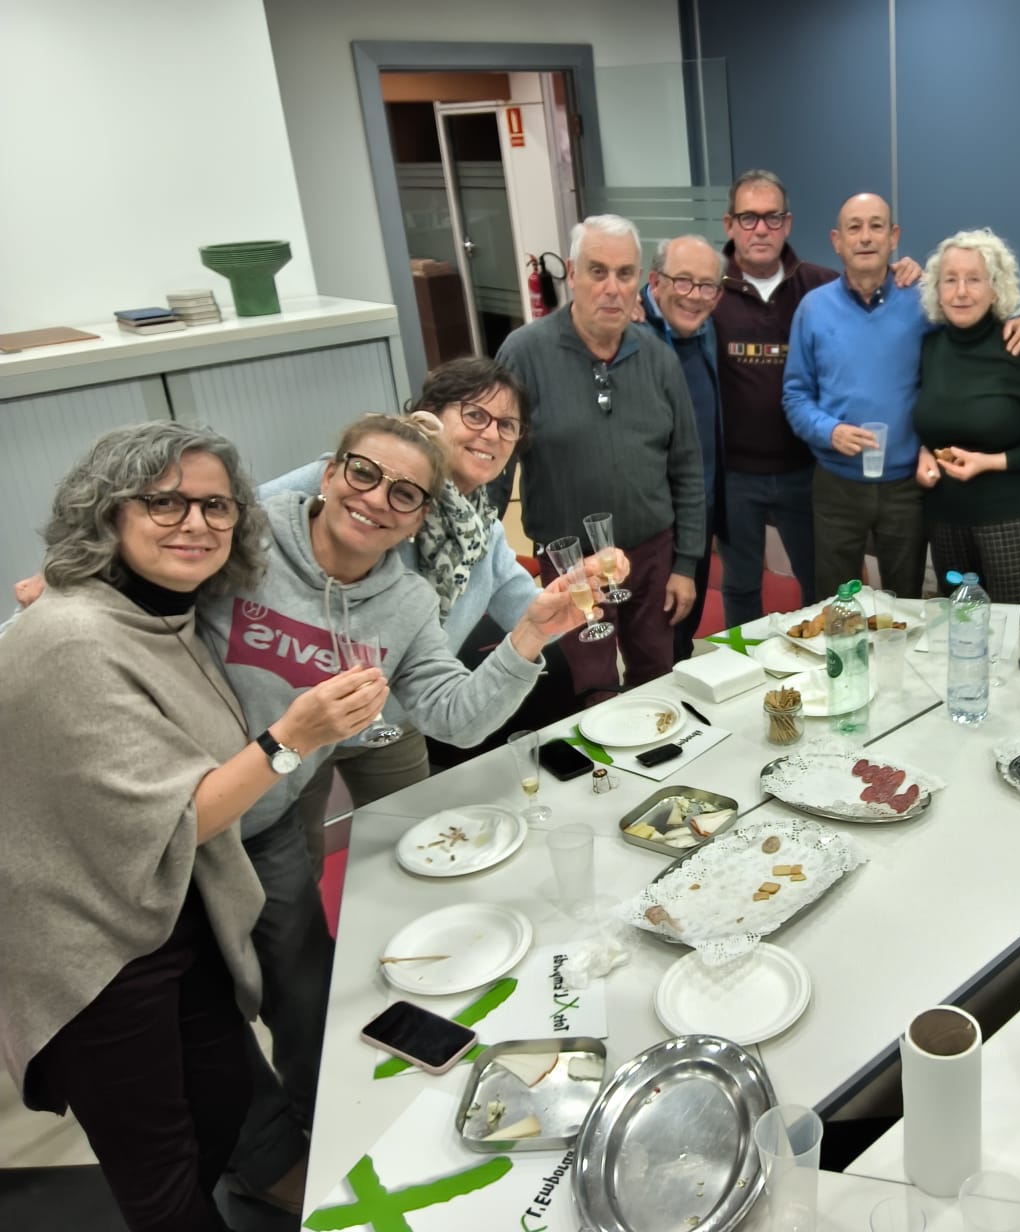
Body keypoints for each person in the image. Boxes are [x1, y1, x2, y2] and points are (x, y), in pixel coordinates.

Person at [202, 413, 592, 1212]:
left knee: (303, 992)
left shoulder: (406, 602)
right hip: (168, 817)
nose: (378, 499)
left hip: (269, 822)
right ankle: (257, 1162)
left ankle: (317, 1141)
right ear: (330, 470)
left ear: (420, 519)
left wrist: (525, 637)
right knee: (199, 1014)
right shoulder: (246, 540)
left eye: (406, 494)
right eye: (364, 473)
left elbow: (453, 715)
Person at [0, 422, 382, 1231]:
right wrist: (294, 738)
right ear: (108, 511)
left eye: (216, 506)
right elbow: (178, 819)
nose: (196, 523)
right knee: (163, 1180)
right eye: (164, 503)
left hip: (171, 911)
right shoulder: (74, 635)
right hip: (88, 952)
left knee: (221, 1104)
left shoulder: (167, 613)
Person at [261, 358, 629, 874]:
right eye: (475, 415)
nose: (491, 434)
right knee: (292, 870)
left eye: (507, 425)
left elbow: (527, 618)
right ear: (431, 415)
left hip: (399, 715)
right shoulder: (363, 479)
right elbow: (246, 512)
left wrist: (566, 598)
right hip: (294, 716)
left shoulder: (482, 531)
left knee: (420, 850)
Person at [784, 192, 1020, 599]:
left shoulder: (922, 301)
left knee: (905, 601)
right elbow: (795, 395)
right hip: (837, 484)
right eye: (854, 227)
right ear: (837, 240)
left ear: (894, 237)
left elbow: (975, 328)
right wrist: (828, 431)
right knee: (834, 600)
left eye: (876, 226)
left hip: (908, 485)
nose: (865, 237)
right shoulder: (813, 309)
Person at [497, 214, 706, 688]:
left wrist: (685, 565)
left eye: (625, 273)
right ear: (572, 275)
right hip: (570, 564)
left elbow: (688, 468)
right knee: (589, 686)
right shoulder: (524, 354)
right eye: (597, 271)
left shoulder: (659, 359)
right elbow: (493, 467)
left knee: (657, 678)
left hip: (651, 558)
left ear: (640, 281)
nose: (612, 288)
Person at [912, 228, 1020, 602]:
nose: (961, 291)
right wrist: (923, 451)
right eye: (950, 280)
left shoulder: (1018, 346)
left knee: (1011, 626)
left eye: (974, 279)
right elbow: (931, 423)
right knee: (957, 623)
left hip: (1010, 522)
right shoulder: (929, 347)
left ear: (995, 288)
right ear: (937, 289)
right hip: (944, 518)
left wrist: (990, 462)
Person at [713, 169, 833, 627]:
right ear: (730, 224)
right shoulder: (706, 288)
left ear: (787, 224)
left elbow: (876, 291)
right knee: (740, 584)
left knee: (820, 582)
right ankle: (742, 665)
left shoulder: (822, 286)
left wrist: (904, 273)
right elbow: (659, 298)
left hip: (805, 469)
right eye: (748, 218)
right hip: (734, 475)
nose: (760, 229)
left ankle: (822, 663)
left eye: (772, 217)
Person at [641, 233, 725, 660]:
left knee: (682, 632)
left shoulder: (707, 330)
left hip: (698, 509)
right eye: (683, 281)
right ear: (655, 282)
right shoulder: (630, 335)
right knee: (653, 645)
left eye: (707, 285)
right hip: (652, 522)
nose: (695, 296)